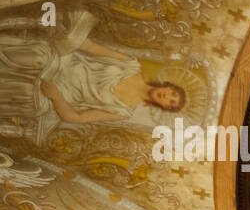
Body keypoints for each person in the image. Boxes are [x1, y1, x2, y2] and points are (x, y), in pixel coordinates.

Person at [0, 15, 186, 142]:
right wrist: (70, 35)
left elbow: (75, 118)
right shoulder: (131, 65)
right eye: (172, 93)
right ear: (168, 86)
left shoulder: (122, 111)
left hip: (56, 92)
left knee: (28, 94)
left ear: (163, 107)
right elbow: (90, 47)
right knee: (36, 57)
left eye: (170, 102)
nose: (166, 96)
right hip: (60, 64)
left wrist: (56, 97)